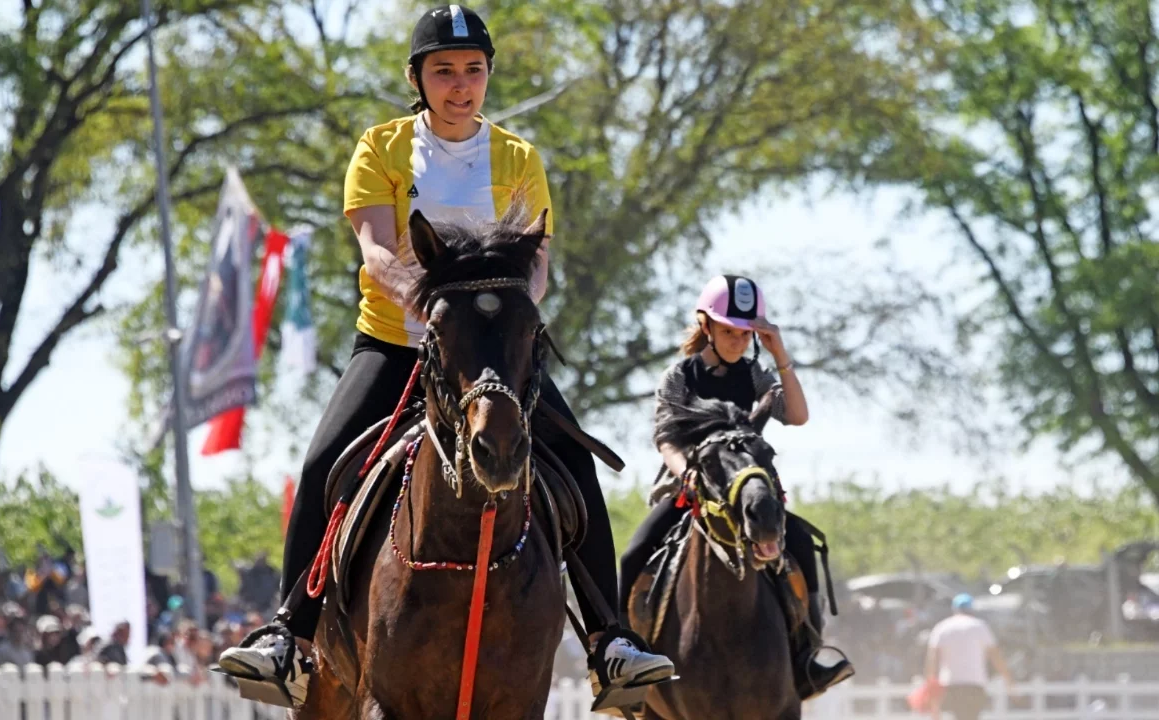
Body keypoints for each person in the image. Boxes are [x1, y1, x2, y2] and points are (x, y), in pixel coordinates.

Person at [218, 4, 673, 704]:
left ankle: (608, 640)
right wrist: (428, 307)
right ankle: (289, 634)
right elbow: (374, 249)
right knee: (321, 464)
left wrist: (518, 311)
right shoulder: (381, 148)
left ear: (487, 75)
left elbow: (537, 264)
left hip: (496, 354)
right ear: (417, 77)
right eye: (444, 72)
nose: (460, 86)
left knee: (575, 463)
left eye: (473, 71)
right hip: (400, 345)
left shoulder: (518, 157)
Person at [618, 274, 855, 700]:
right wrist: (686, 472)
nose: (738, 341)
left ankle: (807, 658)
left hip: (749, 495)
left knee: (802, 544)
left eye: (747, 334)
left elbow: (798, 416)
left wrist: (780, 354)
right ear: (705, 325)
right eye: (729, 331)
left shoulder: (756, 374)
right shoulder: (680, 376)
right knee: (633, 555)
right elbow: (666, 438)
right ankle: (623, 667)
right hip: (690, 494)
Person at [924, 594, 1013, 720]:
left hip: (950, 684)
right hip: (975, 683)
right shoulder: (979, 626)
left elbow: (932, 660)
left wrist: (930, 686)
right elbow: (995, 656)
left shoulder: (942, 628)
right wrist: (1008, 678)